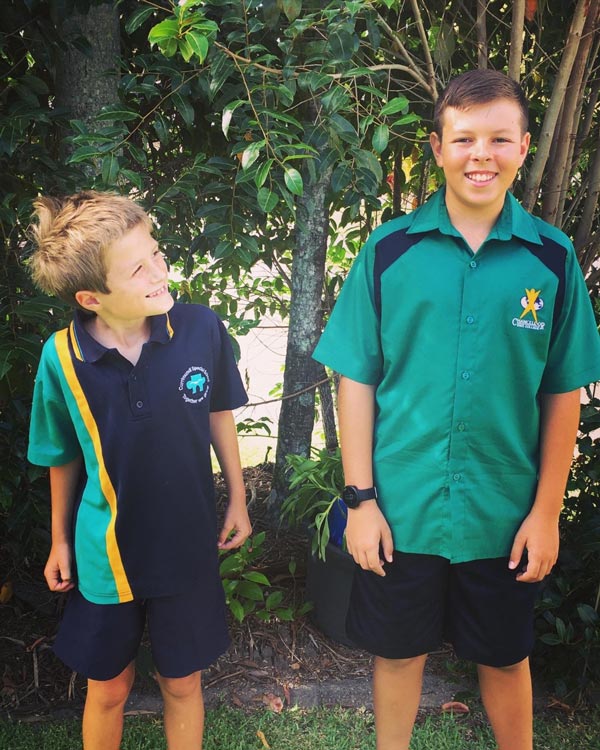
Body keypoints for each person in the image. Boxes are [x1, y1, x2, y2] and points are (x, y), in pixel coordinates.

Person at [313, 69, 600, 750]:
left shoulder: (551, 261)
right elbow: (355, 378)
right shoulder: (390, 252)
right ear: (438, 148)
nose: (481, 154)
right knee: (399, 651)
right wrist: (361, 500)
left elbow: (562, 394)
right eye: (464, 138)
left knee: (504, 656)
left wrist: (546, 512)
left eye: (499, 138)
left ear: (524, 146)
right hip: (401, 508)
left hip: (503, 513)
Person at [27, 190, 252, 750]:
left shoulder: (200, 328)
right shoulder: (60, 358)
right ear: (92, 296)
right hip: (108, 556)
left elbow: (219, 412)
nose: (160, 270)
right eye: (138, 267)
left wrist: (238, 497)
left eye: (156, 253)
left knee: (182, 681)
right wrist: (59, 540)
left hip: (186, 544)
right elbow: (62, 454)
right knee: (109, 687)